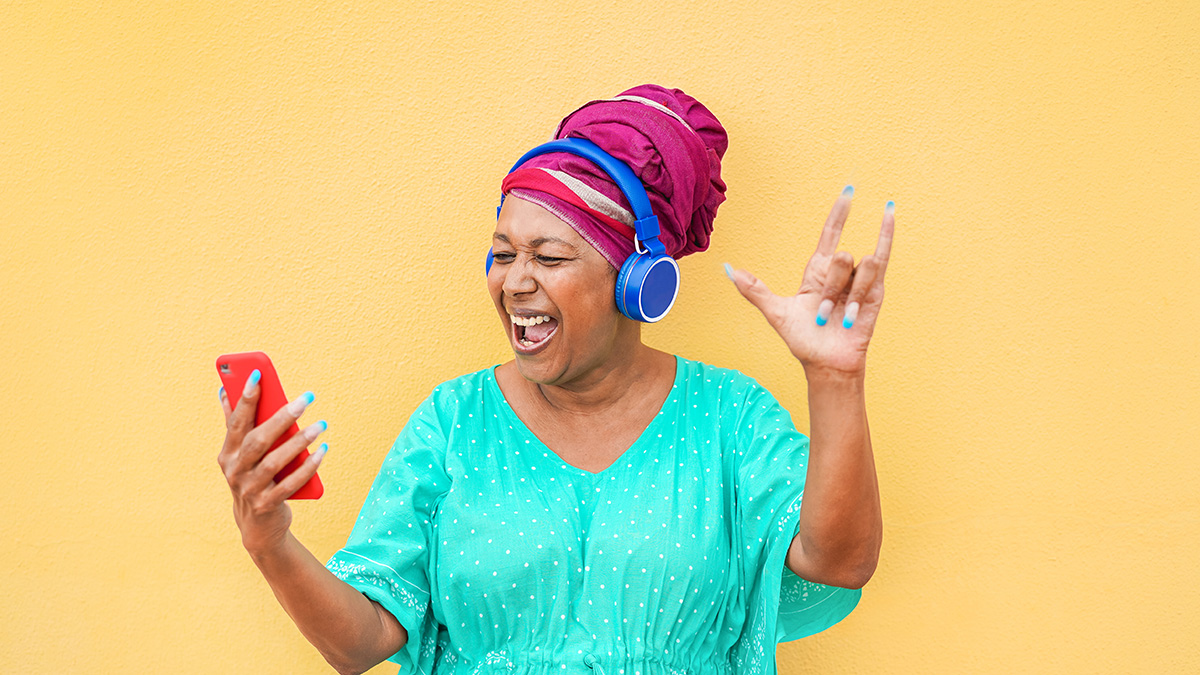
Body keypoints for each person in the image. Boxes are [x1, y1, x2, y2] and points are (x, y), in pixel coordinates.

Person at [217, 85, 889, 675]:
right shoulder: (454, 421)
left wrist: (834, 380)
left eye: (549, 255)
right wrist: (270, 540)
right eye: (503, 253)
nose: (516, 281)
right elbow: (358, 642)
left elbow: (839, 560)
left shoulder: (730, 420)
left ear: (637, 282)